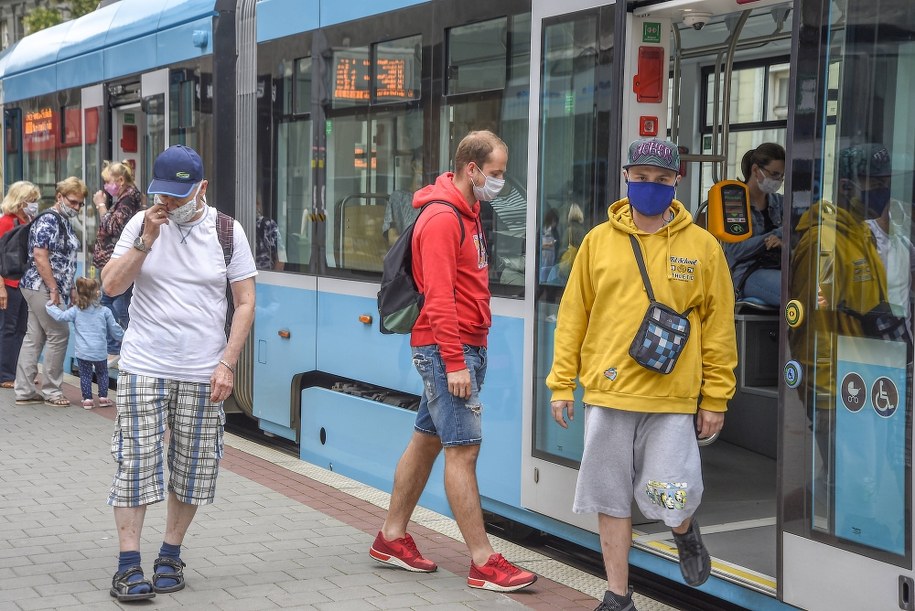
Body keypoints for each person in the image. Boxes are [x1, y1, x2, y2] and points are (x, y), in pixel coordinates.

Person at [547, 138, 738, 611]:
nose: (650, 186)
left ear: (677, 182)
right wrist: (561, 383)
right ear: (627, 178)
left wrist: (715, 397)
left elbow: (719, 327)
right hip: (608, 394)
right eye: (641, 177)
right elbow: (573, 316)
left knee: (670, 493)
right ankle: (617, 595)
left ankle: (683, 530)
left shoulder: (703, 247)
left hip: (671, 399)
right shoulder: (597, 242)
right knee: (611, 499)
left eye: (661, 179)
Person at [368, 130, 537, 592]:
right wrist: (455, 362)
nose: (501, 182)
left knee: (426, 441)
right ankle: (484, 562)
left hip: (464, 345)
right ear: (472, 169)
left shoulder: (470, 211)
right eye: (497, 173)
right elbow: (439, 299)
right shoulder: (442, 219)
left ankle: (391, 537)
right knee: (464, 452)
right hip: (449, 349)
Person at [100, 144, 257, 602]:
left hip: (203, 369)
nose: (168, 204)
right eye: (162, 194)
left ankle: (170, 553)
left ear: (202, 189)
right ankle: (128, 565)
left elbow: (244, 302)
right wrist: (146, 240)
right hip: (143, 364)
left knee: (192, 467)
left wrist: (228, 361)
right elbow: (111, 285)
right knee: (135, 464)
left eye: (179, 196)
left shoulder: (227, 231)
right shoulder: (140, 223)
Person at [14, 177, 86, 407]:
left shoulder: (62, 221)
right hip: (41, 287)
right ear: (60, 197)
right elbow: (40, 256)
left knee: (34, 337)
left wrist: (71, 287)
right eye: (73, 202)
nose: (76, 207)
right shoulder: (49, 220)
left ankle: (25, 391)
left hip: (42, 286)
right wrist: (54, 289)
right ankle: (52, 391)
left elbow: (64, 261)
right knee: (59, 333)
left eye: (80, 204)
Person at [92, 160, 144, 368]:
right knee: (115, 305)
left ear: (120, 180)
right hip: (113, 262)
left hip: (118, 263)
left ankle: (118, 348)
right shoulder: (124, 198)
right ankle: (117, 347)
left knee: (114, 305)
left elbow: (114, 228)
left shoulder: (128, 200)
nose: (106, 186)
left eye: (108, 181)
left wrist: (100, 205)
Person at [45, 276, 123, 409]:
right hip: (100, 351)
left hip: (83, 352)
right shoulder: (105, 311)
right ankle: (103, 398)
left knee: (85, 375)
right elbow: (115, 330)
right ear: (97, 293)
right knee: (102, 373)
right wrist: (124, 336)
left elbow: (60, 316)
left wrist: (49, 306)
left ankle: (87, 400)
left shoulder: (76, 310)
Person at [723, 143, 786, 306]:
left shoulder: (780, 202)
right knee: (792, 292)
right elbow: (736, 250)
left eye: (781, 176)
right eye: (774, 174)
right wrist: (773, 237)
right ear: (756, 170)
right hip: (747, 273)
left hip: (778, 266)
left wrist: (783, 241)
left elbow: (795, 232)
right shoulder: (734, 201)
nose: (777, 180)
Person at [0, 181, 41, 388]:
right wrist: (1, 288)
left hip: (26, 282)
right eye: (30, 201)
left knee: (23, 330)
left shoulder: (30, 220)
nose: (33, 204)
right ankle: (6, 374)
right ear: (20, 200)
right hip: (9, 283)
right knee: (8, 328)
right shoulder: (7, 222)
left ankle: (19, 373)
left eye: (35, 201)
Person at [255, 197, 285, 270]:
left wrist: (275, 278)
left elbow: (281, 255)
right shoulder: (237, 225)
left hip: (265, 276)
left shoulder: (267, 225)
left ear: (257, 205)